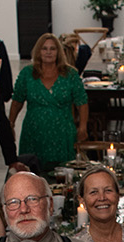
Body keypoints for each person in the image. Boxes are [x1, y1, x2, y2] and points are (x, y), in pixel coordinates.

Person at [12, 31, 88, 168]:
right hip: (34, 133)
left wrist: (82, 127)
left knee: (63, 174)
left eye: (52, 49)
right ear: (38, 51)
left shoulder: (70, 74)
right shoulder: (27, 74)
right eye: (44, 48)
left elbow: (82, 102)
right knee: (33, 175)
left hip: (62, 133)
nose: (48, 52)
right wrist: (10, 124)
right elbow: (17, 101)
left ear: (58, 52)